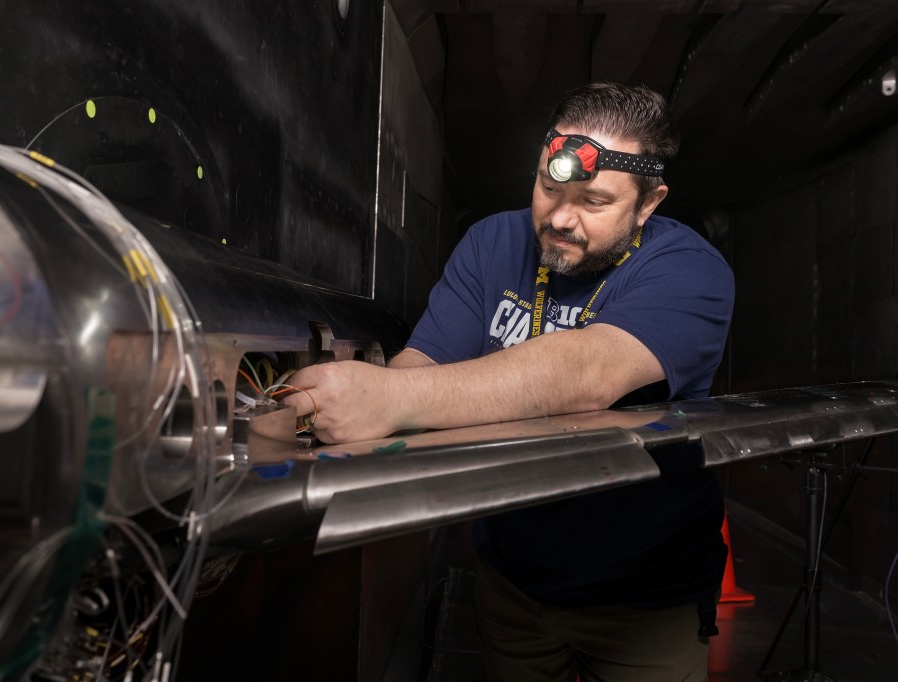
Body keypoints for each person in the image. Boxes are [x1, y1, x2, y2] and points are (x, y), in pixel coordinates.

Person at [282, 82, 734, 681]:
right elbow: (424, 364)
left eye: (594, 202)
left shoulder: (691, 271)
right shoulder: (493, 240)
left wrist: (388, 398)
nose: (560, 219)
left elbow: (589, 372)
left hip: (643, 593)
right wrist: (376, 398)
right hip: (511, 582)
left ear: (648, 204)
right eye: (549, 187)